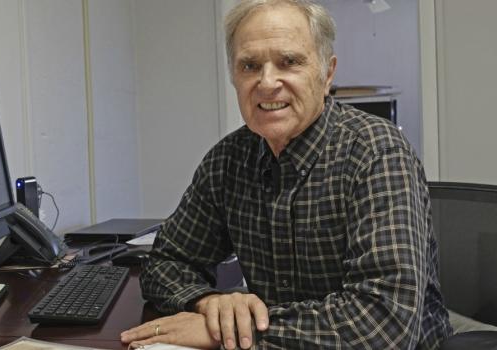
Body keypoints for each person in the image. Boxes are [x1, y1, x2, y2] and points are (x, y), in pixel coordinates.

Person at [121, 0, 453, 348]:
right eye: (249, 65)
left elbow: (385, 324)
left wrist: (228, 333)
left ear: (327, 74)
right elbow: (166, 262)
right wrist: (210, 303)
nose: (266, 82)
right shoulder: (228, 161)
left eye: (289, 62)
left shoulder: (377, 154)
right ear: (234, 77)